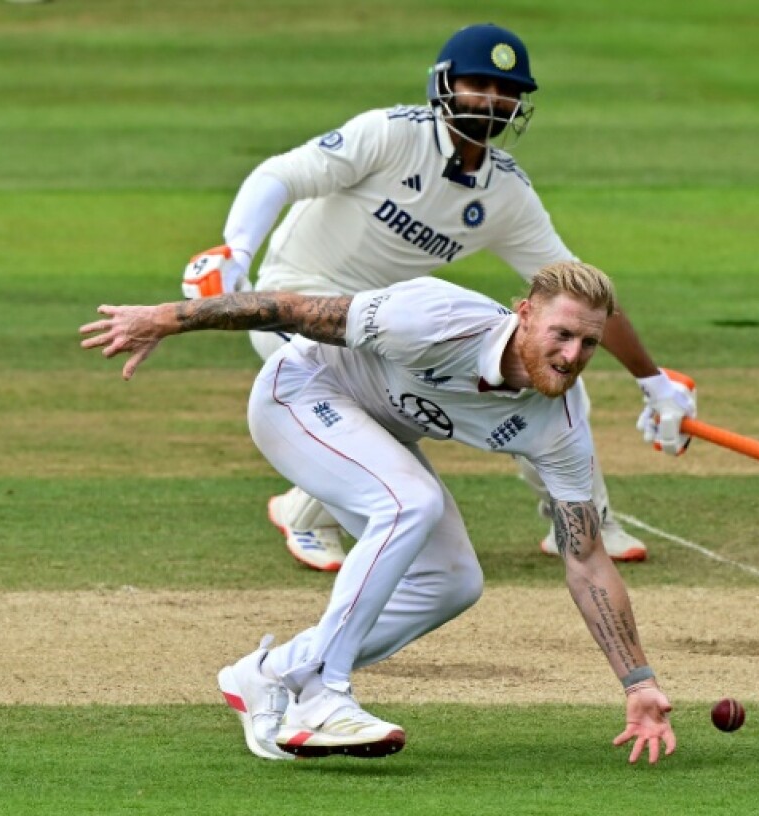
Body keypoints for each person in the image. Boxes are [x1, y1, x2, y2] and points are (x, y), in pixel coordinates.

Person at [80, 262, 680, 765]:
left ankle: (270, 674)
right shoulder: (435, 320)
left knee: (454, 582)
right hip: (300, 394)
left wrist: (639, 683)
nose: (573, 355)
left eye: (590, 344)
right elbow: (287, 310)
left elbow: (587, 560)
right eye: (562, 334)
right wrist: (164, 318)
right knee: (408, 502)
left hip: (375, 433)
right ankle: (323, 697)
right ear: (523, 312)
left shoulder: (561, 425)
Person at [180, 22, 696, 572]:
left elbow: (578, 295)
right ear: (444, 83)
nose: (495, 100)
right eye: (482, 84)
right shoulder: (389, 134)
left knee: (550, 374)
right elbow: (277, 175)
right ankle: (308, 513)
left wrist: (654, 380)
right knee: (379, 403)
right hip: (294, 299)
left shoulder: (506, 193)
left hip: (385, 319)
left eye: (509, 90)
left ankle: (583, 516)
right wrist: (235, 251)